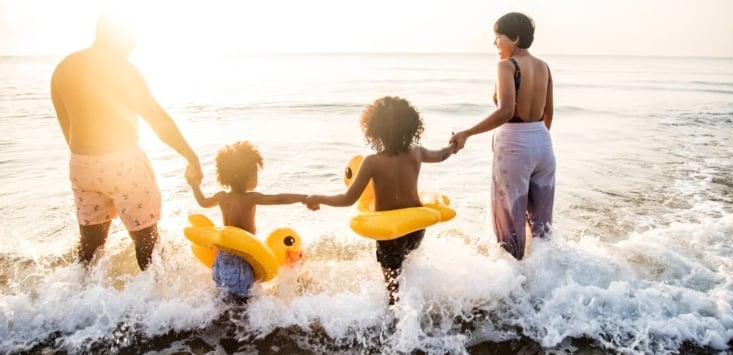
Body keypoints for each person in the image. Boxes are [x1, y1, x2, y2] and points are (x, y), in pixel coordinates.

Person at [50, 13, 203, 270]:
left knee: (90, 245)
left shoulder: (64, 67)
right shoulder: (124, 70)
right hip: (124, 163)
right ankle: (153, 303)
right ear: (118, 36)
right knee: (147, 241)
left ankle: (79, 298)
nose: (136, 41)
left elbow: (67, 126)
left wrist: (89, 158)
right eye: (132, 35)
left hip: (81, 165)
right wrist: (191, 157)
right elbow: (157, 120)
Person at [304, 96, 455, 305]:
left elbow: (348, 199)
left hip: (389, 233)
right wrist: (452, 146)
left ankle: (396, 317)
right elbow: (441, 156)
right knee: (408, 265)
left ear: (374, 131)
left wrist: (318, 197)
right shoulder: (417, 153)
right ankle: (413, 305)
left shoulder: (372, 162)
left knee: (393, 288)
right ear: (411, 126)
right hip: (415, 227)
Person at [449, 12, 555, 260]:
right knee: (542, 226)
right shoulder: (544, 67)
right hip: (543, 144)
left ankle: (513, 290)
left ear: (515, 38)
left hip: (515, 145)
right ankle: (547, 281)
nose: (495, 44)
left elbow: (506, 111)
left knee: (509, 224)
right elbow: (549, 114)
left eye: (498, 37)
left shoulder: (507, 66)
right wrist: (534, 140)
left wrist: (467, 133)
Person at [187, 140, 307, 302]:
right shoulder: (251, 198)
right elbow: (279, 198)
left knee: (224, 302)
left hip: (220, 260)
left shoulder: (222, 197)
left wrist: (193, 184)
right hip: (241, 261)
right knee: (244, 305)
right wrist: (304, 198)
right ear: (250, 176)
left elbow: (202, 201)